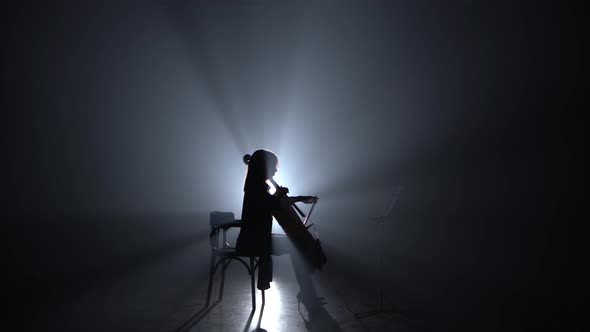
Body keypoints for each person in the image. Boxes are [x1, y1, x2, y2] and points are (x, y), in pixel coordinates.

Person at [236, 149, 323, 310]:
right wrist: (300, 198)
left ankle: (307, 292)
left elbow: (271, 203)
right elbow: (275, 205)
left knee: (296, 244)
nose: (276, 170)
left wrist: (278, 194)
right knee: (296, 245)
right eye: (273, 166)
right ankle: (307, 292)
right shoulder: (256, 189)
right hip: (253, 241)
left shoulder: (256, 187)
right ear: (264, 167)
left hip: (259, 237)